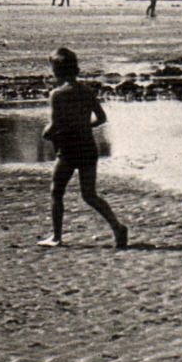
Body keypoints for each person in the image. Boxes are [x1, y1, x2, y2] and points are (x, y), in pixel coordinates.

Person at [38, 47, 127, 249]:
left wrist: (46, 133)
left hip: (68, 150)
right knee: (89, 194)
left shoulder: (56, 95)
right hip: (88, 147)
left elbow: (53, 125)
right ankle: (117, 226)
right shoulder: (87, 91)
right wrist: (85, 126)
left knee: (56, 191)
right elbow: (101, 118)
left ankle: (56, 237)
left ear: (56, 71)